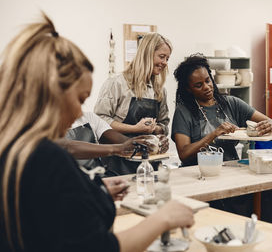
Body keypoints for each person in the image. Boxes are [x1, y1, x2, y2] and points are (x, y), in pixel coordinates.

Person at [0, 13, 194, 252]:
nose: (80, 114)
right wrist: (163, 219)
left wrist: (93, 191)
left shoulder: (14, 148)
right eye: (80, 99)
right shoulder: (47, 158)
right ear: (53, 93)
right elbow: (98, 247)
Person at [171, 54, 272, 229]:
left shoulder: (231, 103)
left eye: (208, 80)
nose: (207, 87)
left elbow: (271, 122)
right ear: (188, 89)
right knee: (233, 224)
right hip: (202, 179)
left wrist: (271, 125)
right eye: (198, 85)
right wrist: (213, 134)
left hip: (233, 174)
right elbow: (184, 153)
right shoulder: (184, 112)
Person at [94, 33, 171, 174]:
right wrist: (135, 129)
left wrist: (158, 132)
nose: (165, 62)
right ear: (147, 53)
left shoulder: (159, 90)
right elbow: (100, 121)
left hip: (149, 163)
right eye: (161, 57)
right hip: (117, 164)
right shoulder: (117, 83)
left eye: (167, 58)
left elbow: (164, 124)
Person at [57, 112, 168, 176]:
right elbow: (66, 147)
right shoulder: (43, 125)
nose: (81, 105)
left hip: (95, 180)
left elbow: (123, 141)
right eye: (79, 98)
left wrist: (154, 142)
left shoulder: (89, 117)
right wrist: (118, 148)